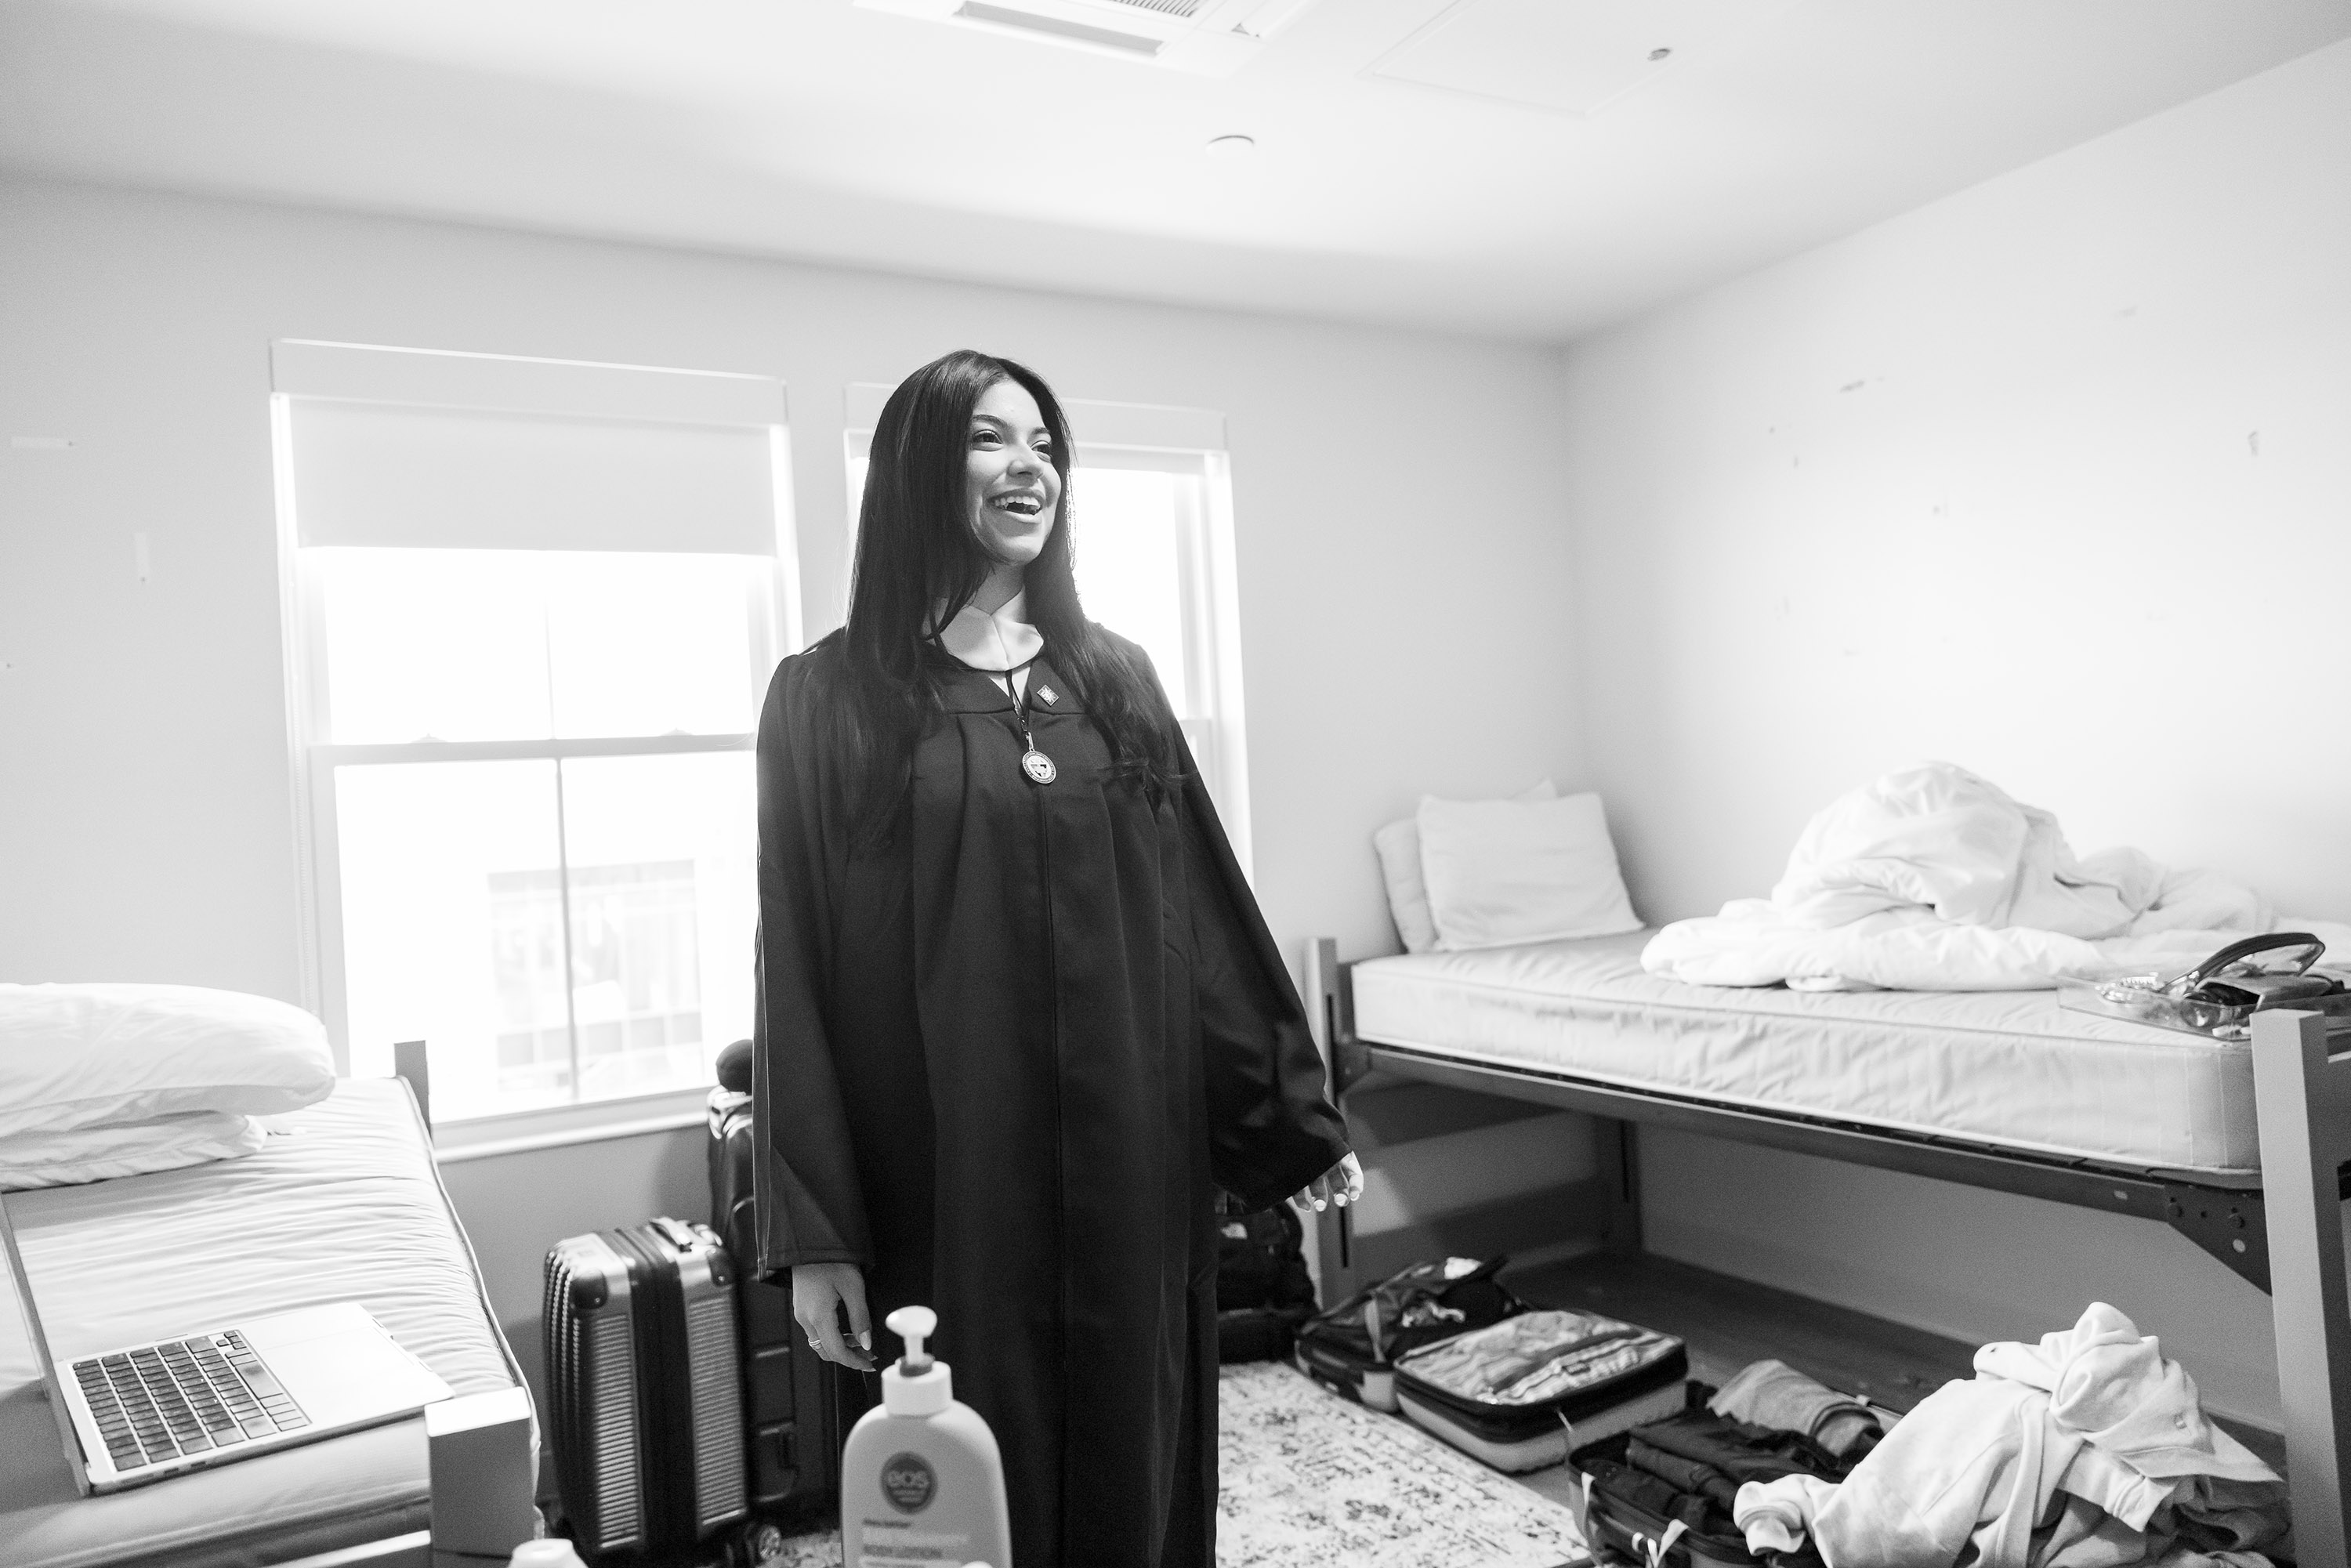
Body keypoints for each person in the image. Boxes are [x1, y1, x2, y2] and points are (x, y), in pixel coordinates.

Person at [751, 349, 1361, 1568]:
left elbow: (1198, 914)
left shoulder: (1112, 681)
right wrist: (817, 1231)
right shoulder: (831, 701)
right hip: (946, 1170)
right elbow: (794, 972)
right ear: (923, 467)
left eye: (1044, 443)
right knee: (973, 1466)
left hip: (1134, 1164)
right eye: (990, 438)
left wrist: (1287, 1120)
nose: (1029, 465)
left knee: (1140, 1442)